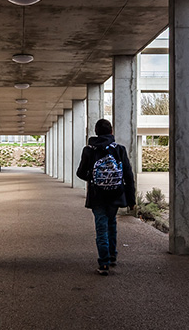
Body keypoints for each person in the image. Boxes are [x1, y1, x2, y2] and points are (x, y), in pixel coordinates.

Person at [76, 118, 136, 276]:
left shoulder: (89, 150)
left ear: (96, 132)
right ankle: (112, 256)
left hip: (97, 196)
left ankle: (103, 264)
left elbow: (80, 173)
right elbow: (128, 176)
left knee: (101, 228)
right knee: (112, 224)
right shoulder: (119, 149)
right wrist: (131, 201)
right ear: (111, 132)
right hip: (116, 194)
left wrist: (93, 177)